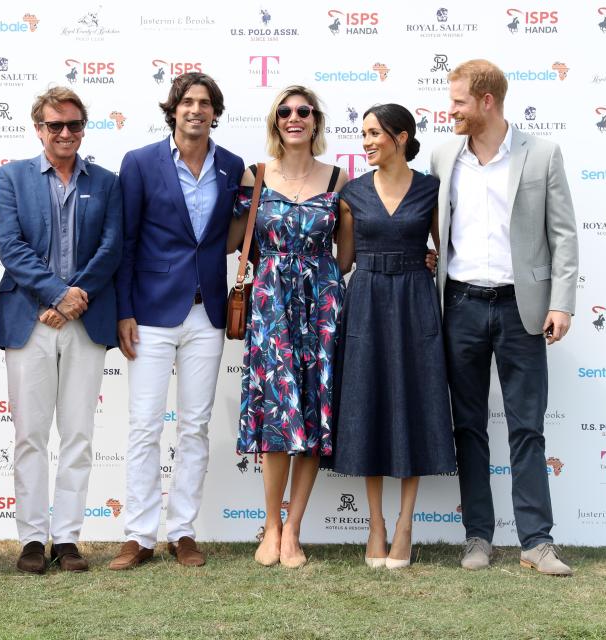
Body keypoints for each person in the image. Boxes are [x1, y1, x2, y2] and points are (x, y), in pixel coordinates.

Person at [431, 59, 578, 576]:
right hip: (462, 306)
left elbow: (563, 236)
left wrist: (561, 302)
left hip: (523, 310)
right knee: (468, 426)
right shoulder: (444, 156)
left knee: (527, 428)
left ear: (486, 102)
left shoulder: (542, 154)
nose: (449, 110)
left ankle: (537, 541)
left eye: (458, 102)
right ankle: (478, 537)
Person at [110, 72, 244, 570]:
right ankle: (139, 536)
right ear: (174, 109)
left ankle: (182, 531)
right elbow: (125, 243)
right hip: (150, 313)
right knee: (145, 426)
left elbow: (232, 233)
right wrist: (123, 309)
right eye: (187, 101)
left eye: (205, 102)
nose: (196, 109)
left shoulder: (231, 166)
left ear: (215, 111)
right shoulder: (141, 163)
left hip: (207, 312)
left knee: (194, 426)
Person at [0, 87, 123, 574]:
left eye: (73, 124)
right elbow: (11, 246)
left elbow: (111, 249)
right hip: (29, 320)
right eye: (54, 125)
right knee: (29, 434)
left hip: (84, 320)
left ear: (83, 127)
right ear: (38, 128)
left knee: (78, 434)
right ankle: (30, 538)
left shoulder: (107, 182)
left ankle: (66, 538)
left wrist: (71, 300)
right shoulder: (11, 177)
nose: (64, 133)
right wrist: (54, 294)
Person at [330, 104, 455, 570]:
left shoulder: (431, 189)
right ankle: (376, 524)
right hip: (365, 302)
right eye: (362, 133)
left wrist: (429, 260)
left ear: (401, 137)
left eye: (373, 133)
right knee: (368, 403)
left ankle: (405, 523)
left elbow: (447, 252)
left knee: (414, 402)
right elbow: (343, 261)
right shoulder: (352, 193)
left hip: (415, 303)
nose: (365, 142)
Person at [227, 86, 347, 568]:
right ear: (274, 121)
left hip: (320, 306)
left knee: (313, 413)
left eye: (304, 111)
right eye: (285, 111)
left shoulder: (339, 179)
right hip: (270, 304)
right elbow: (234, 240)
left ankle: (295, 529)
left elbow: (350, 255)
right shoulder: (253, 176)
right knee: (279, 414)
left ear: (316, 121)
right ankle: (271, 526)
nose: (294, 117)